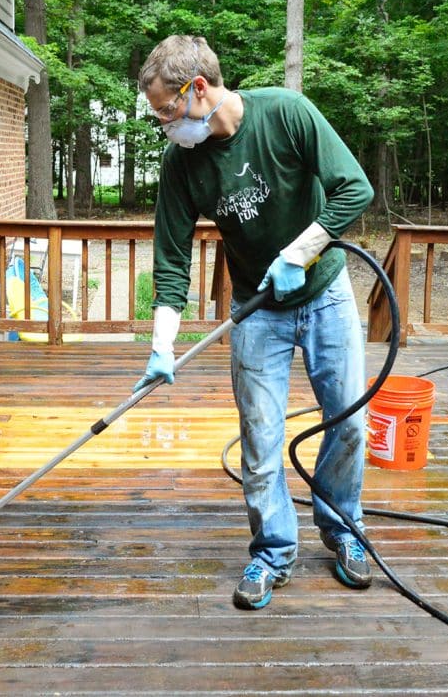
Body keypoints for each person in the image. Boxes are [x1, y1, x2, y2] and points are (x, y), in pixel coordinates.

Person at [135, 35, 375, 610]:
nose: (165, 124)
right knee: (261, 437)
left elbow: (354, 189)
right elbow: (170, 260)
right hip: (256, 309)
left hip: (324, 294)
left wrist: (300, 254)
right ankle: (272, 552)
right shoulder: (182, 163)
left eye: (167, 111)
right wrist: (162, 345)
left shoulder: (285, 114)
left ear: (199, 89)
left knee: (348, 423)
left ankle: (343, 530)